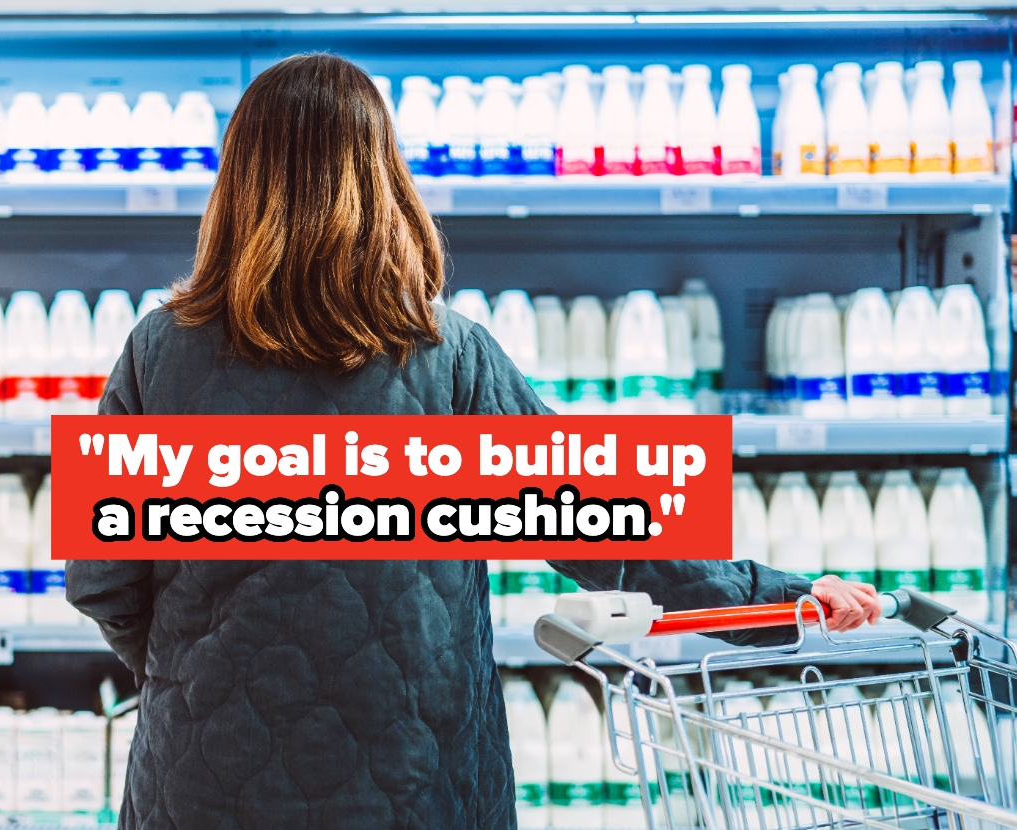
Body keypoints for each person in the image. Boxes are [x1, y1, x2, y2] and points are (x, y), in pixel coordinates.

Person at [66, 53, 882, 830]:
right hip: (416, 778)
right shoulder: (449, 357)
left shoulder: (156, 353)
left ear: (237, 186)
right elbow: (608, 531)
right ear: (384, 182)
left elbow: (101, 582)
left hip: (202, 785)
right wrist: (782, 595)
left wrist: (195, 672)